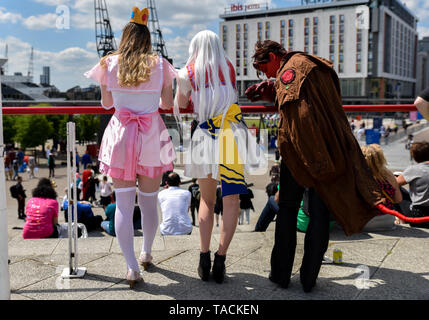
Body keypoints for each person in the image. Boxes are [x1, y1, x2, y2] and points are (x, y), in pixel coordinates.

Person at [246, 40, 382, 292]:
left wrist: (313, 160)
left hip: (305, 154)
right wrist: (273, 91)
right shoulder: (315, 65)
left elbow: (302, 117)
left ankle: (281, 275)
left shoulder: (290, 71)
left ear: (274, 56)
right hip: (329, 149)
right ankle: (309, 279)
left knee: (287, 210)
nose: (264, 73)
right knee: (319, 214)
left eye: (262, 66)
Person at [84, 6, 177, 288]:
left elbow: (106, 104)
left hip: (121, 134)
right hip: (150, 134)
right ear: (148, 39)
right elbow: (167, 105)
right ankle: (147, 252)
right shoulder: (161, 65)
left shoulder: (108, 64)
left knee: (123, 204)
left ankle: (131, 268)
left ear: (124, 38)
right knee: (149, 202)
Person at [174, 30, 266, 284]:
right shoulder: (228, 68)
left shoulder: (186, 72)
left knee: (206, 199)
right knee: (232, 200)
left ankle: (204, 257)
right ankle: (221, 259)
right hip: (232, 134)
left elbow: (181, 105)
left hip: (204, 133)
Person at [361, 144, 402, 231]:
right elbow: (398, 199)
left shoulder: (358, 176)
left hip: (363, 221)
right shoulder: (389, 175)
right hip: (387, 221)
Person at [396, 142, 429, 228]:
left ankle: (402, 221)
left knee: (397, 189)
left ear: (415, 157)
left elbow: (395, 183)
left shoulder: (414, 169)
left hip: (419, 215)